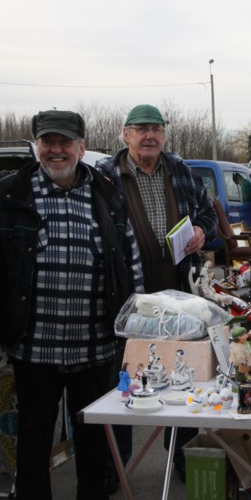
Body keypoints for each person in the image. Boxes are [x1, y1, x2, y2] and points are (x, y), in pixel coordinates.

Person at [0, 110, 144, 500]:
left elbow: (129, 256)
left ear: (81, 146)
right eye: (47, 141)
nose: (55, 150)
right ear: (36, 146)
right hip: (34, 342)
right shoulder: (8, 193)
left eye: (64, 142)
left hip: (94, 340)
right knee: (34, 435)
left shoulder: (106, 191)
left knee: (92, 429)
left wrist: (135, 316)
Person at [95, 104, 217, 480]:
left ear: (164, 134)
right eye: (141, 129)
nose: (149, 136)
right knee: (126, 379)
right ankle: (115, 467)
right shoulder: (103, 175)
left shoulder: (181, 171)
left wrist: (200, 230)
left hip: (178, 293)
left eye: (156, 129)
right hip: (127, 296)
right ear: (125, 134)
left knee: (184, 373)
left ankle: (181, 456)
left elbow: (209, 215)